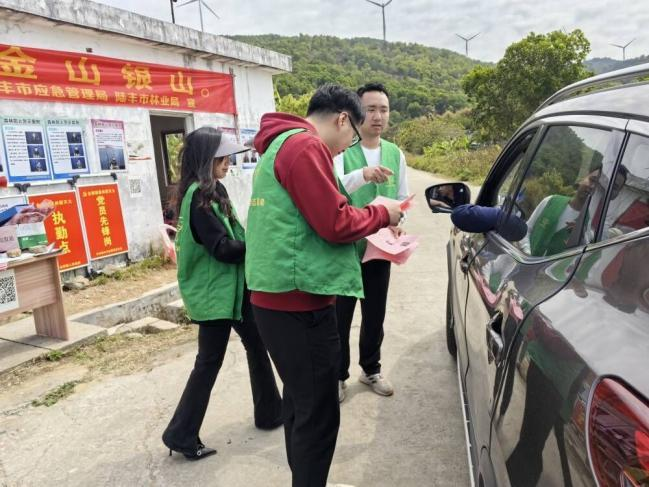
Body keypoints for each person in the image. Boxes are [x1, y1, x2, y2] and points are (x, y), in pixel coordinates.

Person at [245, 84, 403, 487]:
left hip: (278, 297)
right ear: (342, 119)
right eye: (352, 137)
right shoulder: (305, 146)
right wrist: (381, 213)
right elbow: (335, 223)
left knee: (301, 405)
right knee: (318, 415)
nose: (346, 147)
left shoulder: (281, 145)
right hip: (299, 302)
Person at [162, 127, 282, 461]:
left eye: (228, 157)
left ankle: (271, 412)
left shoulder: (214, 190)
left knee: (257, 344)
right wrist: (259, 243)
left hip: (232, 289)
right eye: (221, 158)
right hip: (214, 293)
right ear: (205, 160)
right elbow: (222, 249)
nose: (227, 163)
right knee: (209, 362)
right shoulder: (198, 198)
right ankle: (181, 434)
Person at [332, 82, 409, 401]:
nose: (378, 116)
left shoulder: (395, 153)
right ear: (356, 113)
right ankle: (338, 376)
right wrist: (363, 173)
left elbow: (402, 197)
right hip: (345, 249)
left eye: (384, 109)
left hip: (380, 249)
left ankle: (371, 369)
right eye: (371, 109)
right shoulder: (342, 150)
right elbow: (334, 187)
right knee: (340, 317)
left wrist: (399, 223)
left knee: (375, 314)